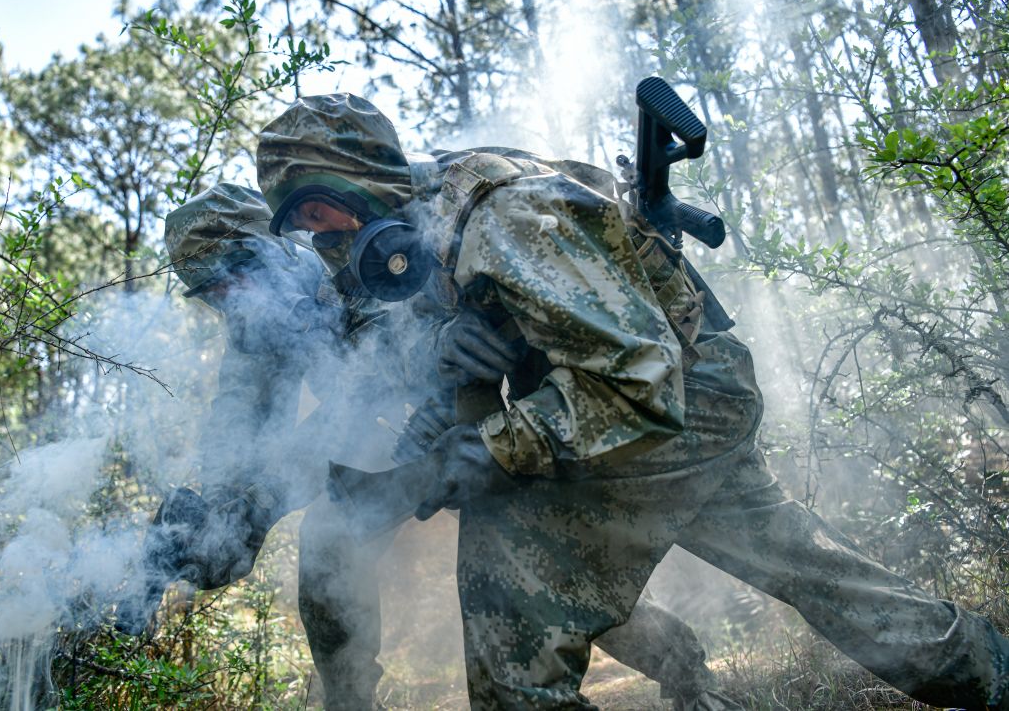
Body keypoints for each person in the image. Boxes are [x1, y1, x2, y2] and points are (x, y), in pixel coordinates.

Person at [254, 92, 1009, 710]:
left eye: (325, 210)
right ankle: (988, 673)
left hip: (661, 412)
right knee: (813, 573)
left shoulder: (501, 212)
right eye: (303, 226)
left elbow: (633, 383)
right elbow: (449, 358)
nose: (325, 238)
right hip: (695, 404)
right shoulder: (429, 224)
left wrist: (487, 448)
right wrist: (448, 368)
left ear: (365, 174)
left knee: (510, 626)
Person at [162, 183, 743, 710]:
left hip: (459, 414)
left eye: (236, 270)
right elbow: (236, 426)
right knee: (330, 542)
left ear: (272, 249)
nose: (230, 294)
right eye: (212, 289)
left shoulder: (352, 252)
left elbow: (403, 366)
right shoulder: (253, 326)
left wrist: (268, 494)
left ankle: (680, 666)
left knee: (525, 559)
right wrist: (215, 514)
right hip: (378, 436)